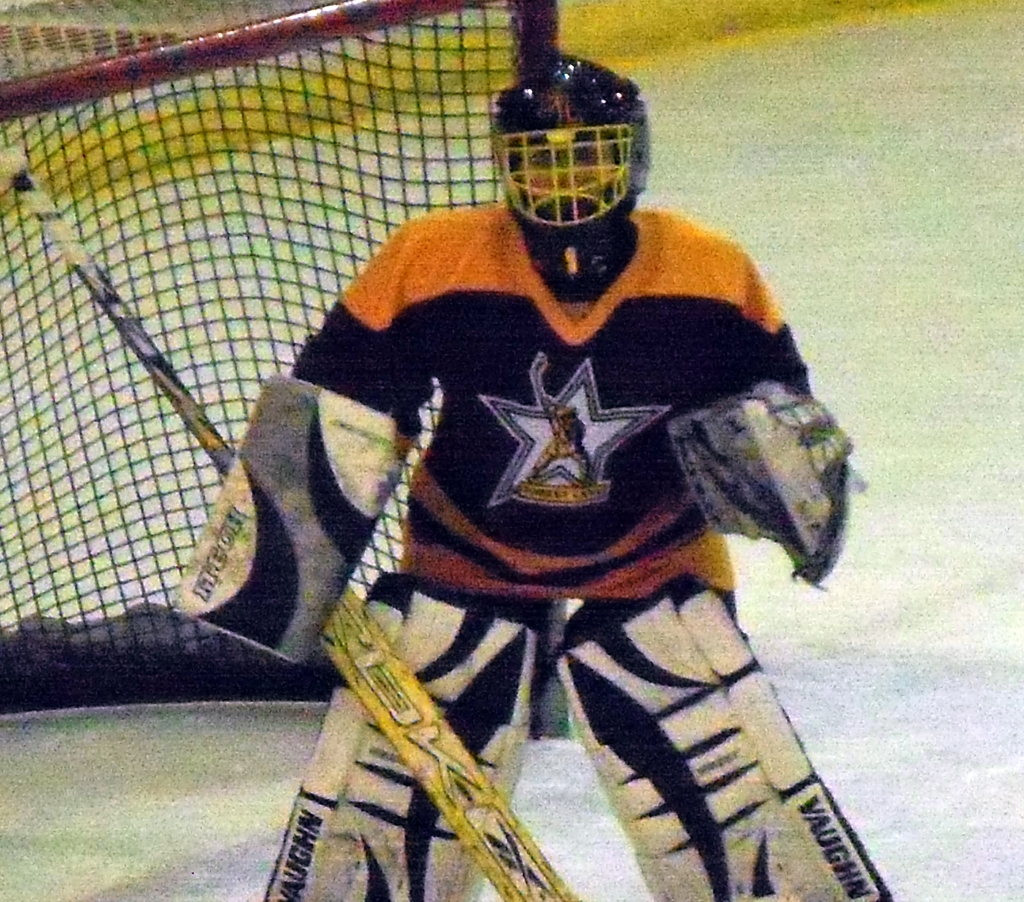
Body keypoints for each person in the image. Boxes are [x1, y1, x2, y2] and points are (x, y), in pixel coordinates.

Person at [285, 55, 892, 902]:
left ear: (634, 157)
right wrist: (290, 541)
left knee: (733, 811)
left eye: (592, 154)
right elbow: (340, 412)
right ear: (505, 164)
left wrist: (784, 476)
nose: (566, 181)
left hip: (654, 566)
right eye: (540, 157)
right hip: (464, 564)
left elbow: (777, 425)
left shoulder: (710, 271)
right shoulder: (430, 259)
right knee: (384, 819)